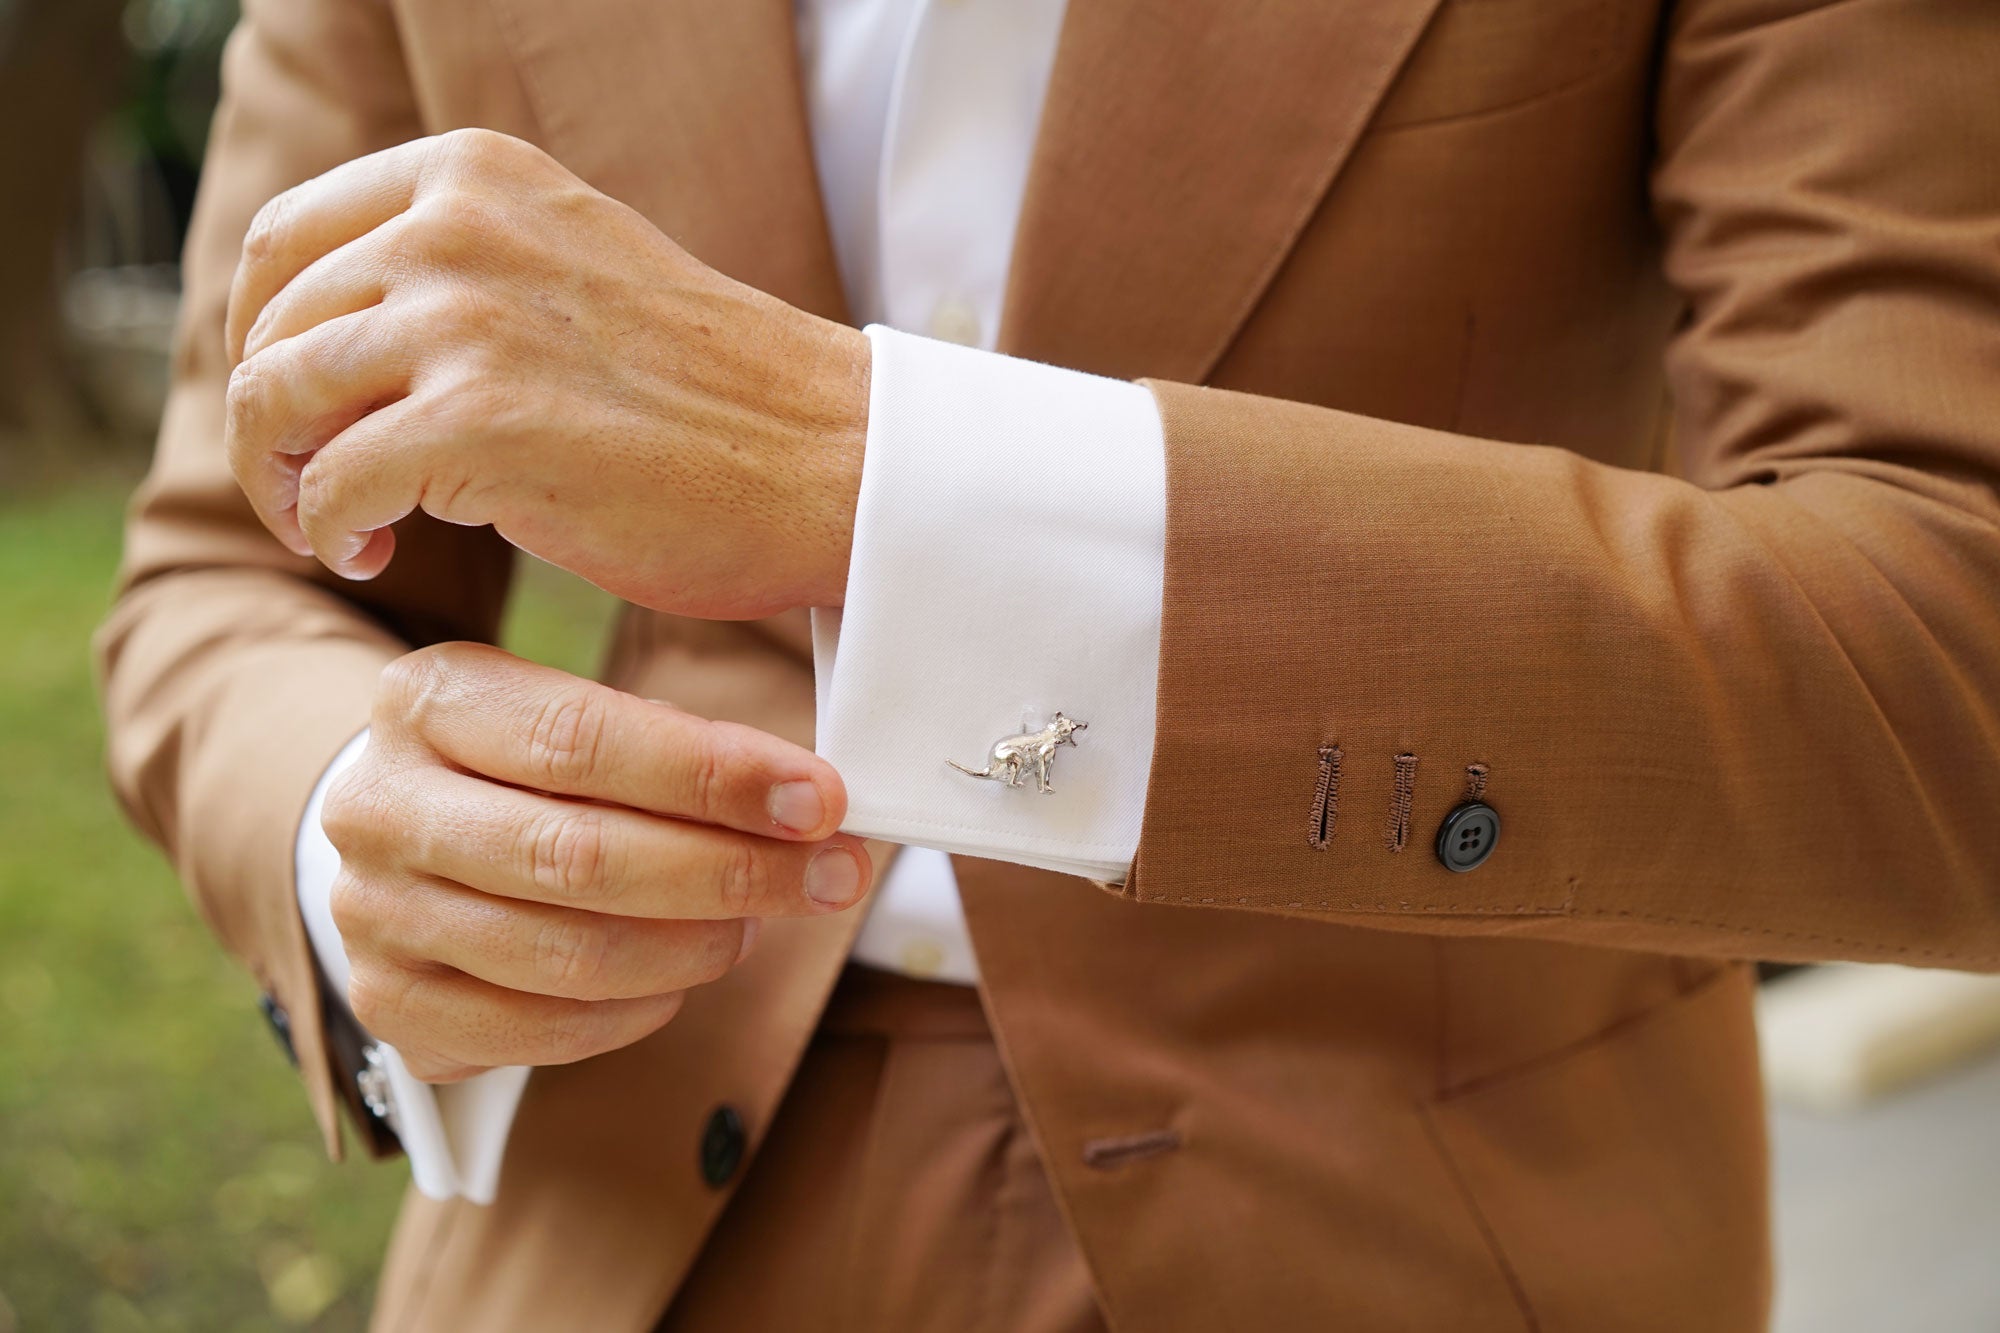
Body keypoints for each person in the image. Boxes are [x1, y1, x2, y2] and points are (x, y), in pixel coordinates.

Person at [95, 0, 2000, 1328]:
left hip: (1419, 1221)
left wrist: (862, 471)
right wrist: (361, 835)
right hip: (602, 1218)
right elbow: (219, 569)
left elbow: (1950, 635)